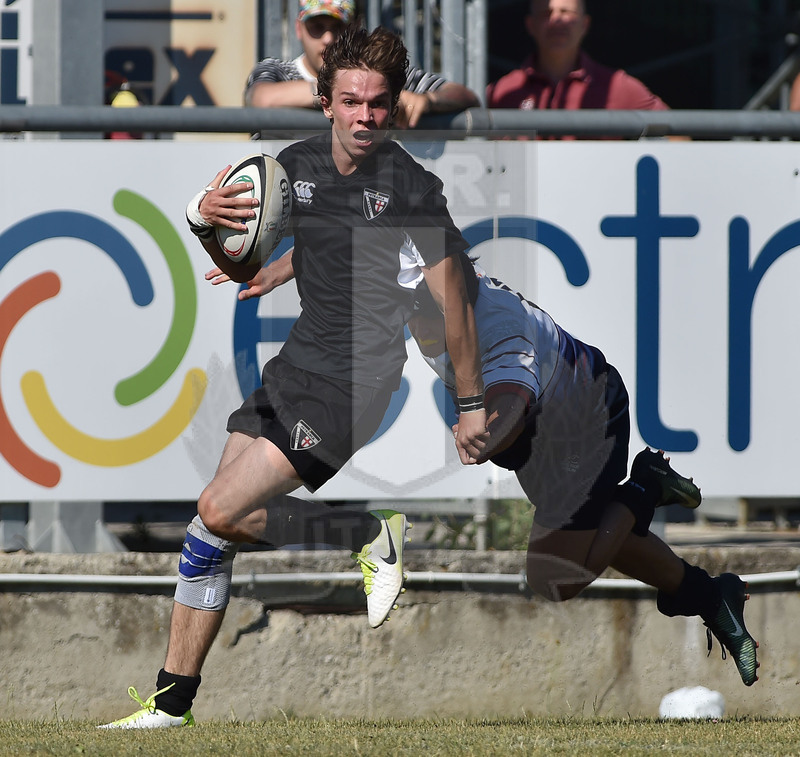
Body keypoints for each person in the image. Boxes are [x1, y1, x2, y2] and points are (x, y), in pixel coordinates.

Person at [100, 25, 488, 728]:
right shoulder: (293, 167)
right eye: (350, 102)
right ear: (326, 103)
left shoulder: (411, 187)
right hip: (295, 366)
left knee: (218, 507)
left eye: (376, 103)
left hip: (355, 384)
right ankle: (169, 705)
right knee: (215, 525)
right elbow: (250, 258)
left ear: (393, 103)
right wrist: (204, 219)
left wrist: (469, 403)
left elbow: (455, 300)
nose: (364, 117)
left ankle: (368, 536)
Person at [406, 258, 759, 688]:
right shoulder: (424, 275)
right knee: (597, 536)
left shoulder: (500, 333)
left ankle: (646, 484)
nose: (411, 324)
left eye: (416, 314)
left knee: (553, 577)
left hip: (587, 425)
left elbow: (511, 409)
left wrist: (480, 430)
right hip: (546, 434)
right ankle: (710, 596)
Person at [245, 0, 481, 129]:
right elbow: (261, 98)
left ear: (353, 27)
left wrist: (427, 102)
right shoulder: (276, 70)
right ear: (299, 28)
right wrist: (337, 90)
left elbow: (467, 97)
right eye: (317, 27)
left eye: (337, 27)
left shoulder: (380, 74)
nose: (328, 38)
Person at [486, 0, 668, 114]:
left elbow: (678, 135)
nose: (557, 19)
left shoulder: (616, 87)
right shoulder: (501, 93)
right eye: (546, 14)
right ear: (530, 25)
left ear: (585, 24)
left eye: (567, 12)